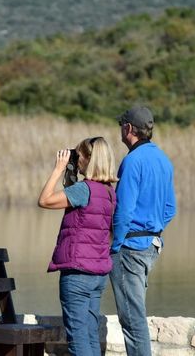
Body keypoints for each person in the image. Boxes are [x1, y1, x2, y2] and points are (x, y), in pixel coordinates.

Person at [39, 136, 119, 356]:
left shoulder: (84, 190)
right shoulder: (109, 192)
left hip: (77, 274)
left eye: (79, 156)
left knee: (78, 340)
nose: (78, 160)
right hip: (98, 274)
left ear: (89, 160)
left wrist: (58, 169)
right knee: (91, 336)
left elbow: (44, 200)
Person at [110, 105, 177, 356]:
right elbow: (170, 209)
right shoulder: (163, 160)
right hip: (151, 246)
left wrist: (115, 246)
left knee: (132, 320)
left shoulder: (132, 161)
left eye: (121, 126)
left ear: (128, 129)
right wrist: (152, 231)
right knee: (135, 313)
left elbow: (124, 211)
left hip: (129, 249)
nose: (120, 130)